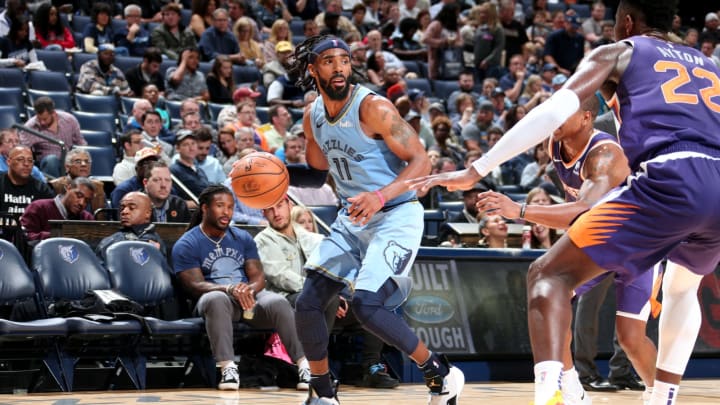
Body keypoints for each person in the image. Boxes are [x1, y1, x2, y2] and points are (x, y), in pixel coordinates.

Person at [407, 2, 720, 404]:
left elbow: (554, 107)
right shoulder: (708, 64)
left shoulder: (619, 51)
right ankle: (662, 397)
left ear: (625, 23)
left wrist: (477, 169)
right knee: (683, 289)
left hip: (668, 177)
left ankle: (552, 398)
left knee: (547, 277)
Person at [287, 35, 464, 404]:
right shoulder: (312, 115)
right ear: (312, 69)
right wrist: (269, 177)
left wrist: (380, 195)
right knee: (307, 302)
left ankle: (439, 371)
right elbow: (318, 172)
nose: (338, 67)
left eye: (344, 60)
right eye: (329, 61)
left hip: (395, 214)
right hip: (353, 217)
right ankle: (322, 392)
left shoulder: (374, 108)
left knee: (366, 304)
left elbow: (422, 162)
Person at [479, 96, 659, 403]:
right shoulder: (555, 145)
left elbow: (583, 209)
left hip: (637, 242)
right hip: (598, 240)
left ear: (587, 117)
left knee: (630, 336)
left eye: (564, 115)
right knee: (552, 295)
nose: (555, 121)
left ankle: (659, 391)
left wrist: (519, 209)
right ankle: (571, 386)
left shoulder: (605, 155)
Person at [171, 185, 311, 391]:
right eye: (220, 206)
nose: (226, 212)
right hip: (214, 301)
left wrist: (249, 290)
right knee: (216, 300)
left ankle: (305, 366)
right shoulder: (187, 243)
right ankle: (228, 368)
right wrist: (228, 289)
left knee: (278, 302)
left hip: (247, 300)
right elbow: (194, 285)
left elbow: (258, 277)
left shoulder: (242, 237)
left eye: (230, 206)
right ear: (204, 208)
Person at [20, 97, 85, 178]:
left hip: (69, 160)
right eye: (39, 119)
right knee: (51, 160)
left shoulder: (69, 120)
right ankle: (53, 189)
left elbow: (80, 142)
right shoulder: (30, 127)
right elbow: (22, 150)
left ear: (53, 113)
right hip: (46, 163)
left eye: (45, 119)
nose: (41, 122)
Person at [96, 191, 167, 263]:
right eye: (122, 208)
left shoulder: (153, 241)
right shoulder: (108, 241)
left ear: (147, 213)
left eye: (132, 208)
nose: (124, 212)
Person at [21, 177, 95, 241]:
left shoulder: (87, 218)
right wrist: (56, 235)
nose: (82, 203)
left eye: (87, 201)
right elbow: (25, 237)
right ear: (68, 188)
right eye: (79, 195)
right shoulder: (38, 207)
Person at [49, 149, 106, 215]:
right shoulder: (55, 186)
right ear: (67, 167)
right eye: (78, 161)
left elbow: (104, 217)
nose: (84, 164)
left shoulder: (98, 187)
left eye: (87, 161)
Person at [0, 146, 55, 215]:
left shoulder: (41, 189)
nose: (26, 164)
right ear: (9, 162)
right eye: (20, 159)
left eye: (30, 161)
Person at [170, 130, 209, 201]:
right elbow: (173, 201)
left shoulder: (200, 171)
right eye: (186, 144)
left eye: (193, 143)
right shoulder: (173, 171)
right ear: (178, 148)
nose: (191, 148)